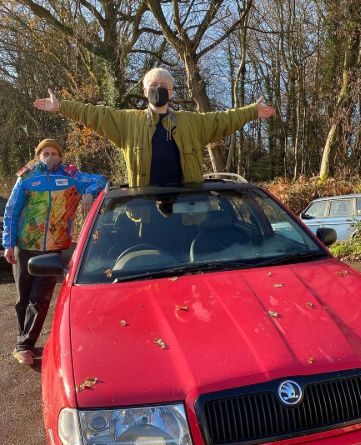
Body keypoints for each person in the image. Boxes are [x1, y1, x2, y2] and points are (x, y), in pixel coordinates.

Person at [34, 68, 276, 187]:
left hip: (187, 208)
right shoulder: (127, 121)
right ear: (144, 90)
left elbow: (223, 119)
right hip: (145, 210)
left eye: (163, 85)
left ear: (171, 92)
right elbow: (95, 114)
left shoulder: (191, 122)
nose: (157, 88)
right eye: (152, 84)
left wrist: (252, 111)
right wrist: (61, 106)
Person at [3, 139, 106, 365]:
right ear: (39, 156)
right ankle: (23, 341)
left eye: (54, 153)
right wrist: (8, 243)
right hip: (25, 246)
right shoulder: (27, 177)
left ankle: (25, 345)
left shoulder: (71, 176)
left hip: (53, 249)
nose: (50, 157)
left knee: (40, 299)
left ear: (60, 156)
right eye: (46, 153)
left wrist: (89, 193)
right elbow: (12, 211)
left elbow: (101, 180)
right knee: (22, 298)